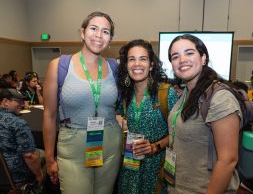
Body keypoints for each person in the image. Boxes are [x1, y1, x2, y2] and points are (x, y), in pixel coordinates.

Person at [43, 11, 122, 194]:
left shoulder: (114, 67)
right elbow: (49, 114)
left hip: (110, 142)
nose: (99, 35)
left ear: (110, 39)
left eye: (106, 31)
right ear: (82, 32)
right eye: (93, 28)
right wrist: (49, 159)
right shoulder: (59, 65)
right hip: (72, 145)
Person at [167, 34, 241, 193]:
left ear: (203, 58)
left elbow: (228, 160)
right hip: (180, 186)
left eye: (189, 53)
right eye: (175, 56)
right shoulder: (187, 92)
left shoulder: (220, 98)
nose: (182, 60)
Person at [116, 39, 178, 194]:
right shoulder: (125, 94)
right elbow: (119, 116)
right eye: (132, 59)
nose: (137, 64)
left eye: (143, 59)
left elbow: (179, 133)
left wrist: (155, 146)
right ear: (126, 65)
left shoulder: (166, 93)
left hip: (157, 166)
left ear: (151, 65)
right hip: (131, 164)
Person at [0, 88, 44, 189]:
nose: (23, 104)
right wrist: (39, 176)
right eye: (18, 101)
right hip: (16, 177)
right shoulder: (18, 124)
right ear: (5, 102)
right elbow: (29, 156)